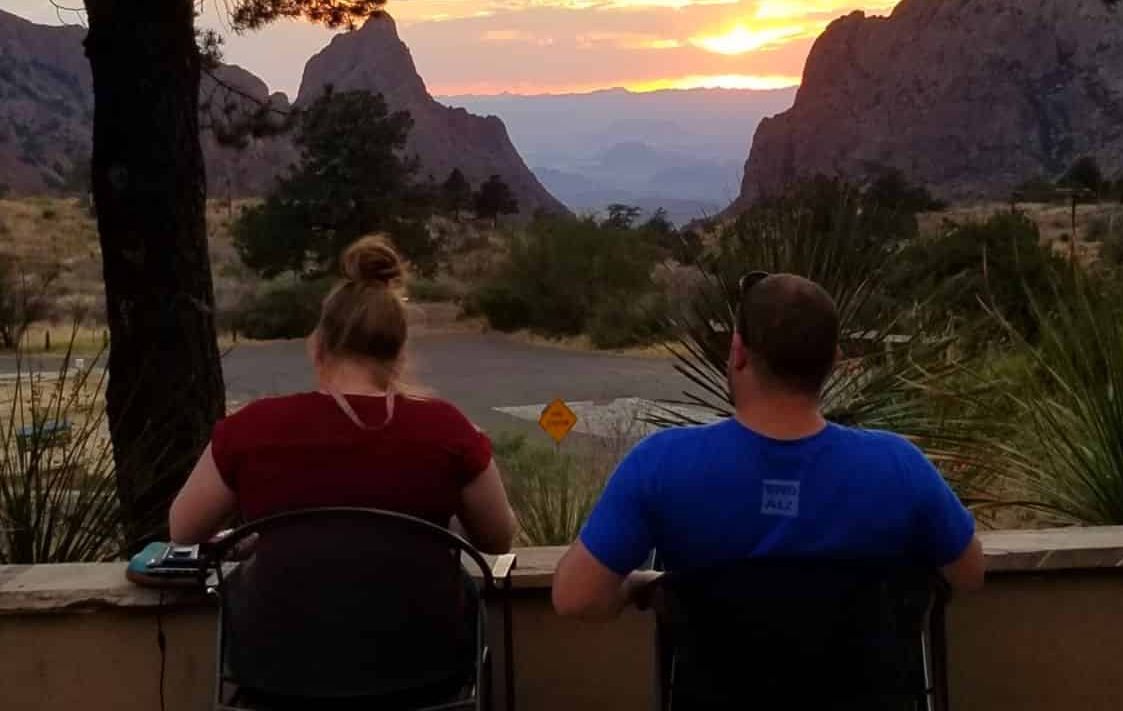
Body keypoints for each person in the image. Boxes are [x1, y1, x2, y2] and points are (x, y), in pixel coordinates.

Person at [553, 272, 984, 620]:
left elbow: (576, 599)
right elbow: (968, 576)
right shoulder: (899, 466)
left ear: (738, 353)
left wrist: (639, 586)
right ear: (834, 361)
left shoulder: (661, 464)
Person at [169, 233, 516, 553]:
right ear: (399, 352)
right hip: (417, 620)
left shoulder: (251, 428)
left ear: (317, 346)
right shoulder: (448, 431)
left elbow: (183, 530)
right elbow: (498, 539)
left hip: (282, 619)